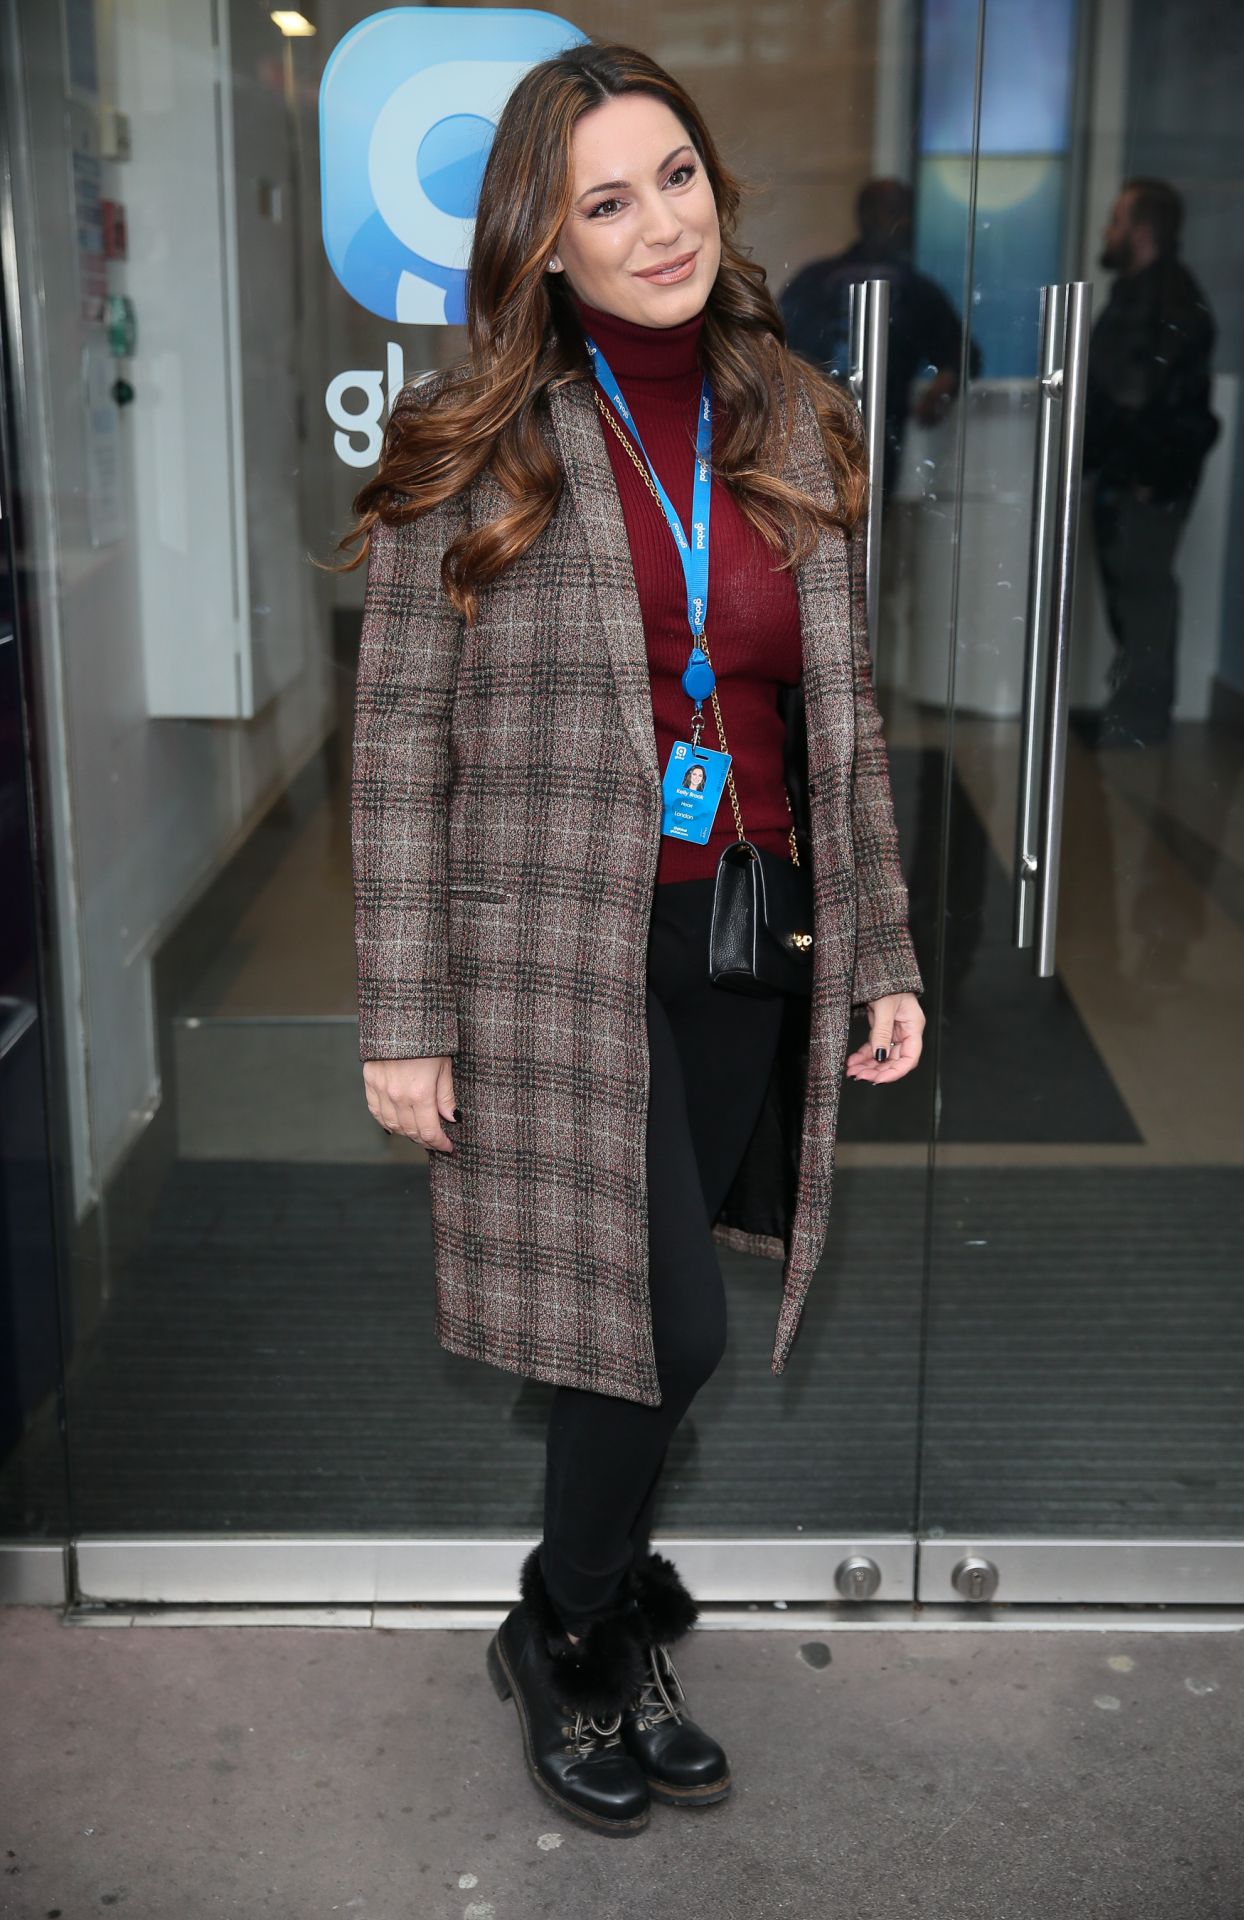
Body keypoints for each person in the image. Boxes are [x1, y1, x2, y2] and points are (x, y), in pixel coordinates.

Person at [337, 42, 924, 1838]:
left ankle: (598, 1602)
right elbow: (395, 759)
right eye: (606, 199)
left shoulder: (799, 419)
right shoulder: (474, 450)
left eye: (676, 174)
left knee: (641, 1324)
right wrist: (400, 1015)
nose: (659, 222)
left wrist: (884, 949)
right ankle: (570, 1624)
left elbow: (847, 724)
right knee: (654, 1331)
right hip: (547, 962)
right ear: (545, 242)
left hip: (744, 934)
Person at [1082, 178, 1219, 747]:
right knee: (1136, 598)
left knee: (1143, 600)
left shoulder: (1161, 301)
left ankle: (1136, 727)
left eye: (1116, 221)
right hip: (1140, 476)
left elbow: (1135, 396)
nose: (1107, 233)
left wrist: (1135, 472)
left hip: (1144, 481)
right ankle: (1132, 719)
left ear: (1142, 231)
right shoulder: (1151, 294)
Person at [779, 178, 978, 499]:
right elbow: (772, 347)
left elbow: (961, 353)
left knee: (864, 523)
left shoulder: (914, 289)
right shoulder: (817, 280)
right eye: (892, 212)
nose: (903, 224)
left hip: (878, 434)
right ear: (865, 216)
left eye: (903, 213)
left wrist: (945, 383)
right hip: (814, 430)